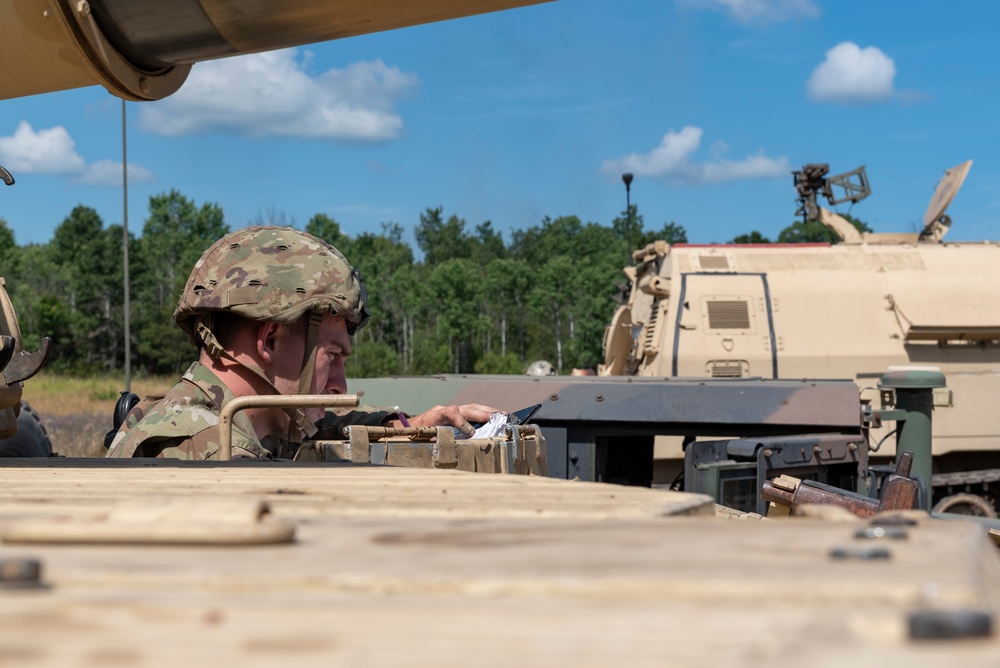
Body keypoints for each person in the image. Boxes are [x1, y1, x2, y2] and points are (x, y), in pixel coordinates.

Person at [107, 226, 498, 460]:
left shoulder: (226, 419)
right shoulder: (208, 453)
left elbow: (327, 423)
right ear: (270, 340)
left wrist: (410, 425)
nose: (340, 386)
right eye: (333, 357)